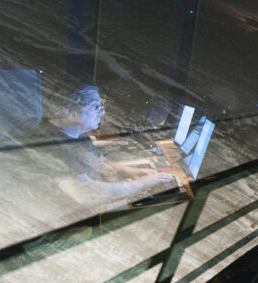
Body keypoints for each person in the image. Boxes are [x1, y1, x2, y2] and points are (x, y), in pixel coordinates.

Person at [30, 85, 173, 206]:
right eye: (95, 107)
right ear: (71, 113)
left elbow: (95, 160)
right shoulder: (51, 145)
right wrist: (142, 183)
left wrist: (129, 171)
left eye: (101, 106)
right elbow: (87, 192)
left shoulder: (76, 134)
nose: (103, 112)